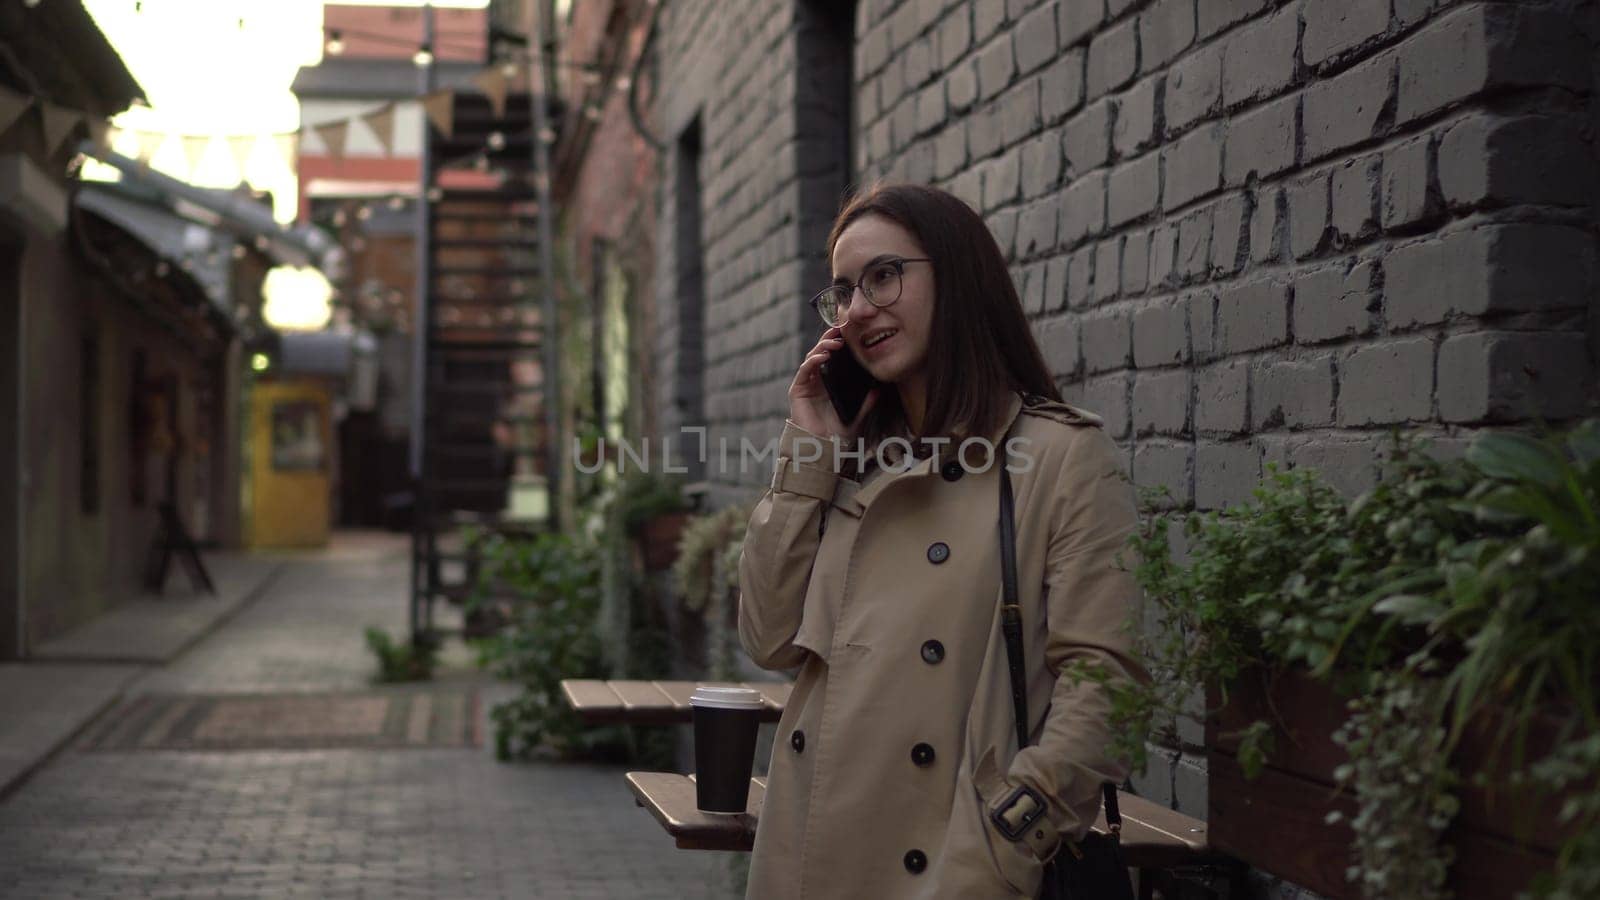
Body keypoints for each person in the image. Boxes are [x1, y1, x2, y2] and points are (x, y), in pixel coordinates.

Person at [737, 183, 1149, 899]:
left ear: (956, 277)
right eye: (843, 291)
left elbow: (1106, 680)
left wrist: (1008, 834)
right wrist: (807, 449)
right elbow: (768, 637)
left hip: (954, 867)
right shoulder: (847, 457)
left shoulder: (1057, 455)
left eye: (883, 277)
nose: (860, 308)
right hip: (810, 856)